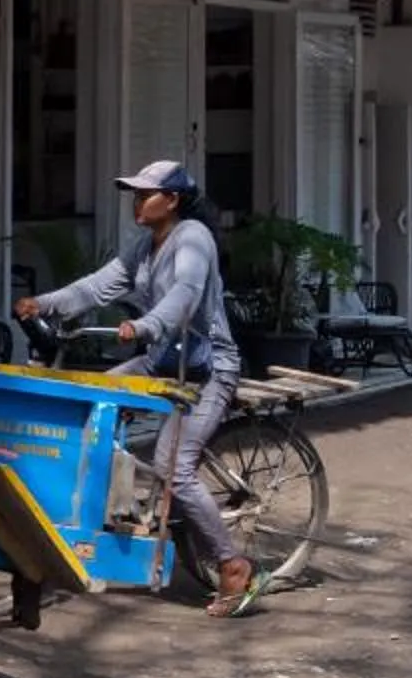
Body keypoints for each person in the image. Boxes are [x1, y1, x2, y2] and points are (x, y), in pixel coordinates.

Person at [15, 161, 260, 616]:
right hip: (164, 358)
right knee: (92, 406)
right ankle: (111, 523)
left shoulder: (193, 239)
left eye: (145, 193)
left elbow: (185, 294)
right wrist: (43, 303)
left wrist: (147, 325)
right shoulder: (145, 247)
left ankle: (233, 564)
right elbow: (96, 287)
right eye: (134, 193)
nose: (136, 201)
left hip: (209, 369)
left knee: (173, 464)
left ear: (172, 200)